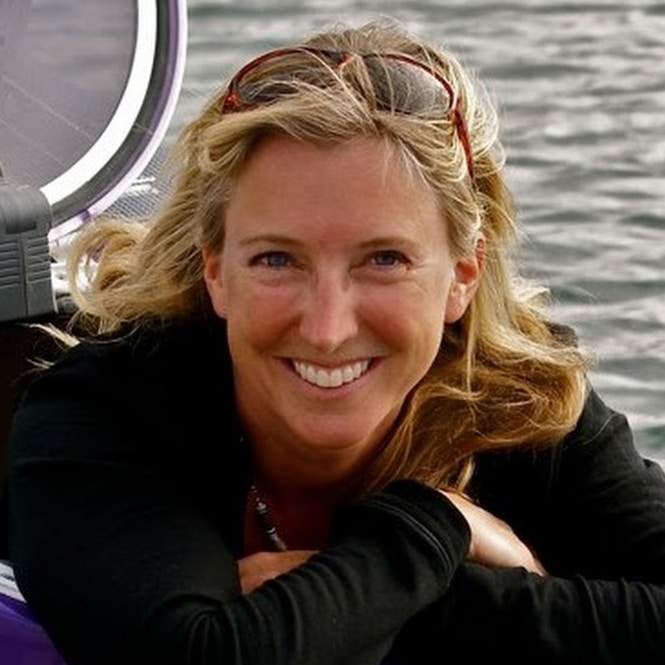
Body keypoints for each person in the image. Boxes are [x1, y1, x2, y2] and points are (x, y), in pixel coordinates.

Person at [6, 16, 665, 665]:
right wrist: (437, 524)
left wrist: (377, 591)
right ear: (216, 270)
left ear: (462, 276)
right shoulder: (103, 410)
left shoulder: (523, 402)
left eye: (384, 259)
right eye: (276, 259)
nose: (327, 328)